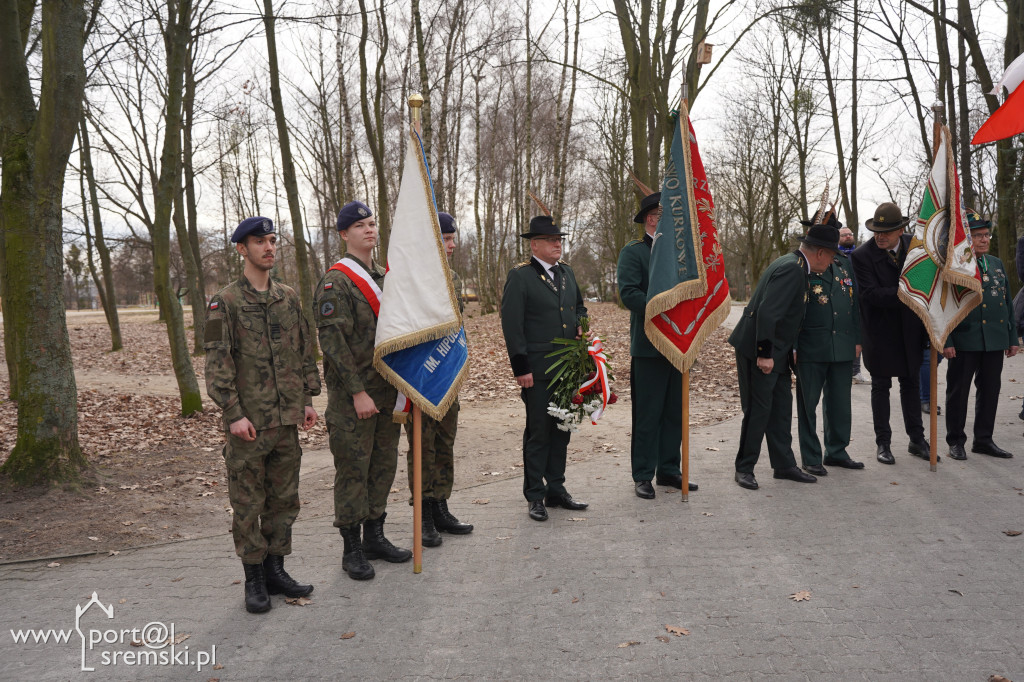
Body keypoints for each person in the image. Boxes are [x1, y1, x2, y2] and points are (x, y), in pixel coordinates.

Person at [204, 216, 321, 613]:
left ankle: (276, 570)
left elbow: (304, 351)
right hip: (248, 424)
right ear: (242, 249)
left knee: (284, 500)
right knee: (248, 503)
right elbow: (218, 363)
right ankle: (253, 578)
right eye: (259, 242)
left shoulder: (288, 297)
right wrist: (233, 413)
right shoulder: (226, 301)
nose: (269, 247)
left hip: (287, 420)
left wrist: (307, 399)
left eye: (272, 241)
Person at [314, 201, 410, 581]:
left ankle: (375, 536)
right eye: (360, 226)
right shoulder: (335, 282)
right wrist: (357, 392)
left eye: (372, 224)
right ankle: (351, 549)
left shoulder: (386, 277)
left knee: (383, 467)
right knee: (354, 470)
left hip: (388, 391)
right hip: (355, 398)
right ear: (343, 234)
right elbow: (332, 343)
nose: (369, 230)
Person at [729, 224, 840, 490]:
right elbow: (769, 313)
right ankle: (744, 468)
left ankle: (784, 465)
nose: (833, 262)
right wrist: (765, 354)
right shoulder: (793, 269)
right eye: (833, 256)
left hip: (775, 351)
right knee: (759, 411)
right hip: (760, 350)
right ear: (822, 253)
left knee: (780, 407)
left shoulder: (795, 264)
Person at [501, 215, 590, 521]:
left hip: (567, 367)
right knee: (539, 432)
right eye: (552, 241)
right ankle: (534, 495)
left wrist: (581, 324)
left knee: (562, 429)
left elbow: (579, 307)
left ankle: (556, 489)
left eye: (559, 240)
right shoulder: (521, 277)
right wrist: (521, 368)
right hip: (538, 369)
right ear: (534, 244)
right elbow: (512, 327)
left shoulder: (566, 272)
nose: (557, 244)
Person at [616, 191, 697, 500]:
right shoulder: (634, 252)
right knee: (648, 414)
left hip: (679, 344)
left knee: (675, 411)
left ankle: (669, 469)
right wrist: (662, 309)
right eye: (666, 217)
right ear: (651, 219)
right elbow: (629, 293)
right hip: (649, 344)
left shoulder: (680, 254)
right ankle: (642, 474)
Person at [403, 212, 473, 546]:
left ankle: (441, 505)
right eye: (445, 239)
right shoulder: (410, 280)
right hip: (420, 376)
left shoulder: (454, 278)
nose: (452, 245)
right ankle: (423, 513)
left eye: (452, 238)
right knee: (423, 446)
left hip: (447, 374)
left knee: (445, 443)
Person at [850, 202, 929, 465]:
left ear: (901, 230)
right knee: (881, 387)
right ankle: (883, 443)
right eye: (876, 231)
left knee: (911, 384)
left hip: (910, 330)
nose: (880, 236)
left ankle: (917, 440)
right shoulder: (862, 255)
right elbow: (870, 294)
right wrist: (909, 292)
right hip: (879, 331)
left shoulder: (916, 247)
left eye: (887, 231)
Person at [942, 210, 1020, 460]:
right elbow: (945, 306)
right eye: (978, 236)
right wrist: (948, 340)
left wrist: (1011, 338)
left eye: (986, 234)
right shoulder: (956, 266)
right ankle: (956, 441)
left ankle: (984, 439)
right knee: (958, 392)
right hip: (965, 340)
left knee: (989, 391)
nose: (985, 239)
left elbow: (1007, 302)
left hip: (994, 340)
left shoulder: (996, 264)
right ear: (967, 239)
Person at [794, 212, 864, 476]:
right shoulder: (802, 264)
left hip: (844, 343)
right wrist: (793, 345)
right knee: (808, 403)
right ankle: (811, 456)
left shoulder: (844, 264)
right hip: (811, 344)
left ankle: (836, 451)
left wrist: (857, 338)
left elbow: (854, 301)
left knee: (840, 403)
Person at [839, 226, 868, 384]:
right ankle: (845, 370)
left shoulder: (859, 255)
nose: (848, 236)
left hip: (861, 301)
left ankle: (856, 372)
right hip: (844, 303)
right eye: (844, 235)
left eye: (850, 234)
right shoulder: (836, 256)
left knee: (859, 336)